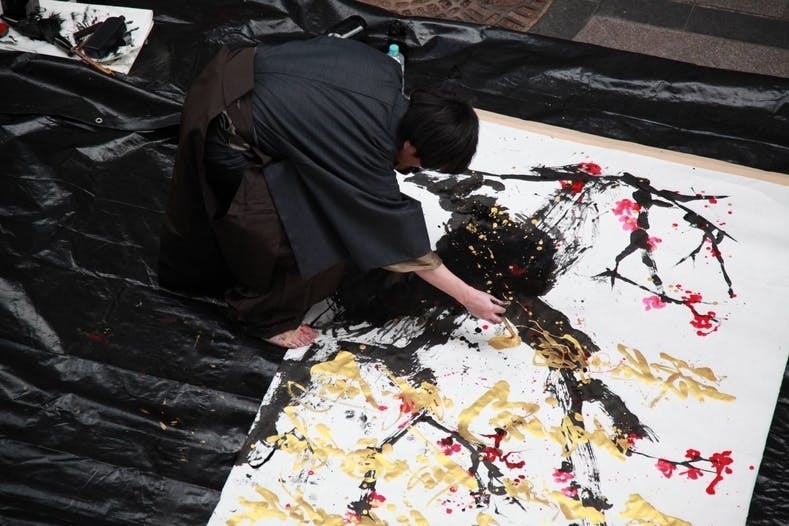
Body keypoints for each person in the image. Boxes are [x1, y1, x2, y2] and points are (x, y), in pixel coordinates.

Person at [158, 35, 507, 348]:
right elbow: (396, 238)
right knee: (314, 231)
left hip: (232, 68)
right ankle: (265, 319)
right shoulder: (365, 149)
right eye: (421, 163)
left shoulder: (385, 69)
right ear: (411, 144)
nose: (415, 170)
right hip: (222, 128)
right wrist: (467, 296)